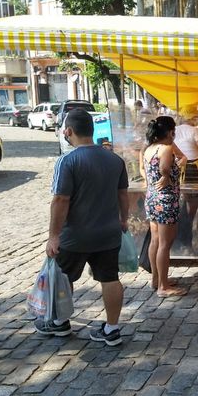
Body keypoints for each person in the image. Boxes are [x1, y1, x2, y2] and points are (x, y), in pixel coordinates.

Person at [40, 109, 129, 346]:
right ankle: (112, 328)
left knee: (63, 277)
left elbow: (60, 200)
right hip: (108, 233)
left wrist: (53, 236)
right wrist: (124, 219)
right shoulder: (115, 159)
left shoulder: (67, 161)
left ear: (68, 132)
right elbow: (123, 194)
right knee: (110, 278)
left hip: (75, 236)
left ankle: (59, 323)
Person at [140, 116, 187, 298]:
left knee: (155, 241)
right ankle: (163, 287)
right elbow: (165, 169)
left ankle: (156, 279)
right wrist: (169, 173)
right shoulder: (166, 149)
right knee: (165, 244)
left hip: (152, 198)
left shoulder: (149, 148)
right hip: (166, 200)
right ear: (169, 132)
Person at [175, 105, 198, 252]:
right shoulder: (195, 131)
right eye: (196, 116)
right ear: (191, 117)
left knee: (187, 209)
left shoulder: (175, 131)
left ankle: (186, 244)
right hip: (196, 169)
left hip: (181, 169)